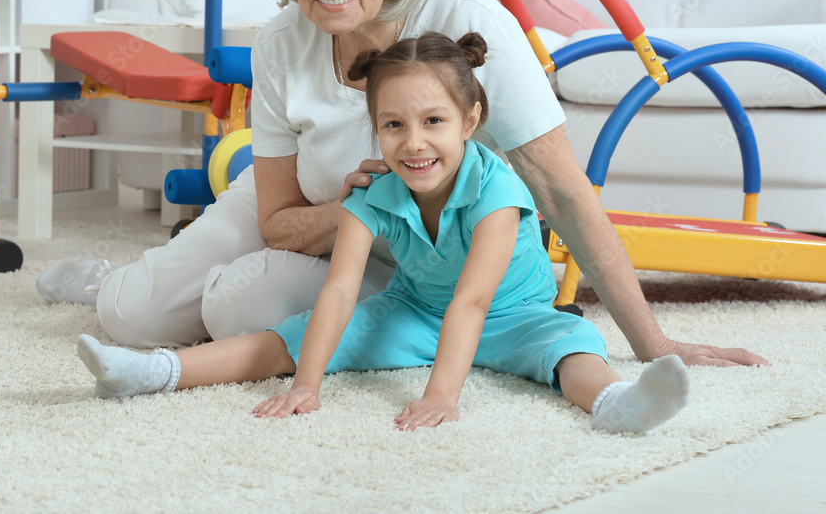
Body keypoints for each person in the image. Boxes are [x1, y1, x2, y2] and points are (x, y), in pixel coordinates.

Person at [38, 0, 767, 370]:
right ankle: (118, 280)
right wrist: (358, 206)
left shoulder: (463, 16)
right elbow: (277, 218)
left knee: (237, 306)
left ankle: (236, 313)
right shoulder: (282, 43)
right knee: (129, 320)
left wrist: (653, 343)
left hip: (418, 254)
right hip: (318, 214)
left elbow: (562, 192)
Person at [75, 32, 691, 434]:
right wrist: (307, 385)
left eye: (433, 122)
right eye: (393, 125)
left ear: (472, 120)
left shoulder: (498, 190)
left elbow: (475, 301)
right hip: (415, 311)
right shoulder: (372, 195)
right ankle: (154, 371)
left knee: (572, 349)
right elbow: (341, 292)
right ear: (375, 130)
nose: (414, 142)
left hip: (516, 314)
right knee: (288, 336)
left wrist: (441, 395)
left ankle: (619, 404)